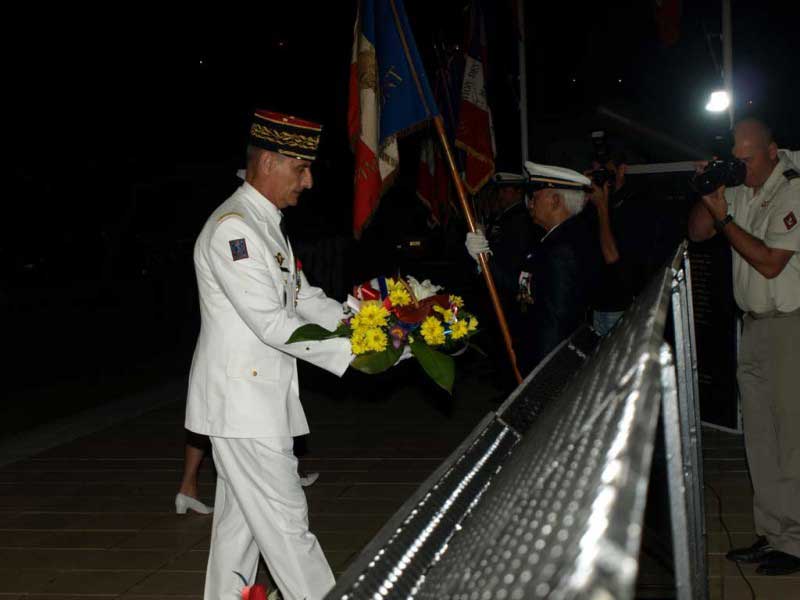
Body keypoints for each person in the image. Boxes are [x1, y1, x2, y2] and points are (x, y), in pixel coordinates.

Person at [186, 109, 356, 600]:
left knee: (238, 530)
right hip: (243, 405)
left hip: (256, 401)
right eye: (300, 168)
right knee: (286, 524)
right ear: (267, 163)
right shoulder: (234, 230)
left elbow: (302, 297)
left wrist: (365, 324)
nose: (308, 181)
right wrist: (353, 350)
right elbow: (271, 322)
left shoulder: (266, 224)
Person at [688, 117, 800, 576]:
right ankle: (773, 533)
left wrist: (725, 218)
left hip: (790, 326)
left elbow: (771, 263)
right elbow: (698, 232)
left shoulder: (791, 188)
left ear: (772, 151)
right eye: (734, 159)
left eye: (747, 159)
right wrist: (708, 189)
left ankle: (796, 542)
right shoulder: (740, 186)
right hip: (753, 326)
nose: (741, 167)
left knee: (791, 440)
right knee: (760, 439)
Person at [466, 162, 599, 375]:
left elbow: (555, 322)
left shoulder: (561, 249)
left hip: (548, 363)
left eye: (536, 196)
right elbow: (524, 285)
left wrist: (543, 375)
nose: (530, 201)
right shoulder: (558, 238)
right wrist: (484, 260)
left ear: (555, 201)